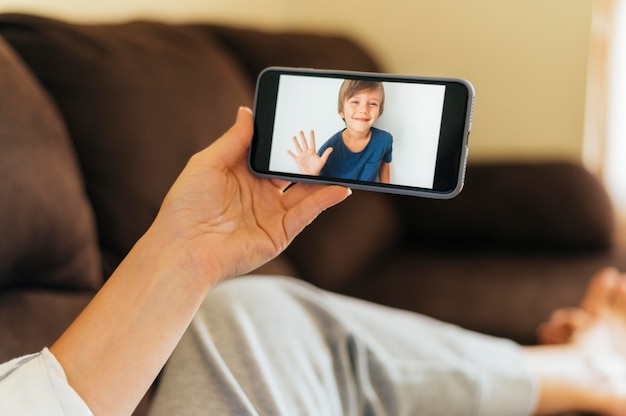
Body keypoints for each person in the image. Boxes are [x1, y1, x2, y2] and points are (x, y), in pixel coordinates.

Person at [1, 107, 626, 416]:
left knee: (245, 310)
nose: (359, 117)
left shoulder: (375, 139)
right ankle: (589, 369)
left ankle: (577, 371)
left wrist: (188, 250)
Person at [288, 79, 393, 183]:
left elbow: (385, 163)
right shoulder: (326, 152)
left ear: (379, 112)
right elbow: (318, 191)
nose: (364, 110)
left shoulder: (385, 140)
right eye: (355, 102)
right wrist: (311, 176)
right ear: (341, 111)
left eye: (373, 104)